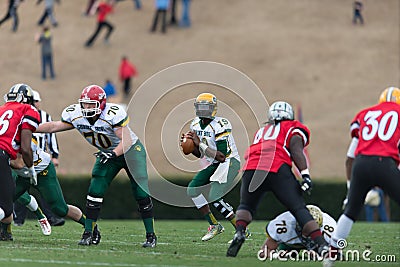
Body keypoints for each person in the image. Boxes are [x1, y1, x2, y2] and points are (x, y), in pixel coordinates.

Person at [36, 85, 157, 247]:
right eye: (85, 104)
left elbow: (126, 140)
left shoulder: (112, 114)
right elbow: (54, 126)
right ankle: (89, 233)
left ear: (101, 104)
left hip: (130, 152)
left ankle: (151, 235)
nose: (87, 108)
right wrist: (29, 128)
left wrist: (113, 154)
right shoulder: (76, 115)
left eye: (91, 104)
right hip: (107, 154)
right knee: (94, 191)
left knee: (140, 193)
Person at [227, 101, 328, 257]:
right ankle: (322, 245)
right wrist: (305, 175)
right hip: (275, 166)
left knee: (246, 205)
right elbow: (296, 149)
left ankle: (239, 232)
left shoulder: (262, 130)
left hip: (251, 167)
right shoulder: (292, 126)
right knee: (298, 208)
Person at [325, 87, 400, 267]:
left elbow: (350, 157)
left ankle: (331, 255)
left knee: (350, 212)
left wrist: (350, 189)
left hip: (361, 163)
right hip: (385, 163)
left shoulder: (365, 113)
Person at [182, 93, 248, 242]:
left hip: (229, 163)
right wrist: (188, 146)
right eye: (200, 106)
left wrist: (199, 143)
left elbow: (221, 156)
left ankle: (241, 230)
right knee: (192, 189)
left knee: (214, 196)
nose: (202, 110)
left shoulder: (221, 124)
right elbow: (200, 155)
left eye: (206, 107)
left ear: (213, 108)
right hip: (215, 162)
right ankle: (214, 225)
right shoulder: (195, 124)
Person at [10, 131, 91, 241]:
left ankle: (91, 228)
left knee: (60, 209)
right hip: (22, 175)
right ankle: (5, 232)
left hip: (43, 172)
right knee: (6, 200)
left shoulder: (19, 138)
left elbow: (19, 164)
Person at [14, 90, 65, 227]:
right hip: (21, 159)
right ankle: (17, 219)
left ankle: (50, 218)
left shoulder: (44, 116)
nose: (35, 104)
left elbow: (51, 135)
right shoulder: (17, 116)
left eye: (37, 101)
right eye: (34, 101)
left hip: (39, 159)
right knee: (19, 191)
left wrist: (55, 156)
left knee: (44, 191)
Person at [0, 83, 40, 241]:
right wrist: (31, 169)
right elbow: (25, 147)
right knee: (6, 207)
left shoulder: (2, 109)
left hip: (3, 156)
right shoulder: (28, 110)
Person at [258, 205, 336, 260]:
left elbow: (336, 253)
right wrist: (276, 255)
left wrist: (322, 254)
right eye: (305, 230)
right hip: (292, 244)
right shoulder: (285, 224)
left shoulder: (329, 229)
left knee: (322, 252)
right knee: (285, 253)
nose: (307, 235)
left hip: (317, 242)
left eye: (312, 231)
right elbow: (264, 251)